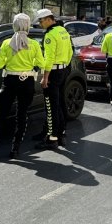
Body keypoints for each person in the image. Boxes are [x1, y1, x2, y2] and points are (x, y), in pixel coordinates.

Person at [0, 13, 43, 160]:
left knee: (0, 115)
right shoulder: (34, 44)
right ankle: (15, 149)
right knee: (22, 115)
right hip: (27, 82)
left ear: (14, 25)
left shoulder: (7, 43)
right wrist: (32, 68)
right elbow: (42, 63)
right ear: (28, 26)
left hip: (9, 82)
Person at [35, 8, 73, 150]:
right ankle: (61, 134)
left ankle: (52, 139)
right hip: (63, 70)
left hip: (53, 72)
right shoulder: (63, 31)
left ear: (48, 19)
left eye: (41, 20)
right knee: (60, 103)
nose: (40, 23)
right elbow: (70, 52)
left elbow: (49, 58)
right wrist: (65, 67)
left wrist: (45, 77)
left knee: (51, 107)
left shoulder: (50, 35)